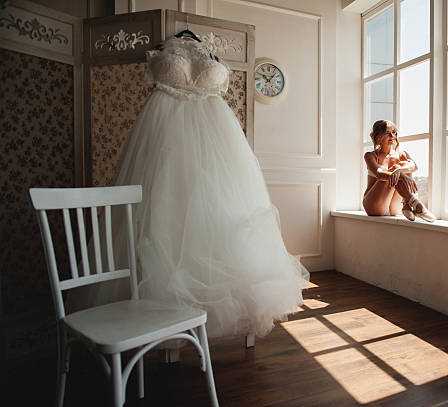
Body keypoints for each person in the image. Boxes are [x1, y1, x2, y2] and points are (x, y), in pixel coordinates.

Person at [73, 35, 309, 339]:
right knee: (161, 221)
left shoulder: (208, 52)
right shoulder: (162, 50)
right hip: (163, 142)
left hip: (218, 148)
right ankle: (161, 325)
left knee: (225, 227)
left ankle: (237, 321)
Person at [363, 119, 435, 222]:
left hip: (395, 207)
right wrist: (400, 175)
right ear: (378, 136)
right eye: (387, 133)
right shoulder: (370, 156)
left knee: (400, 166)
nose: (392, 136)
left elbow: (414, 166)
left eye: (394, 132)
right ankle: (416, 204)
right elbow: (379, 174)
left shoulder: (401, 154)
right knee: (393, 171)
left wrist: (399, 170)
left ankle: (407, 204)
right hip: (374, 205)